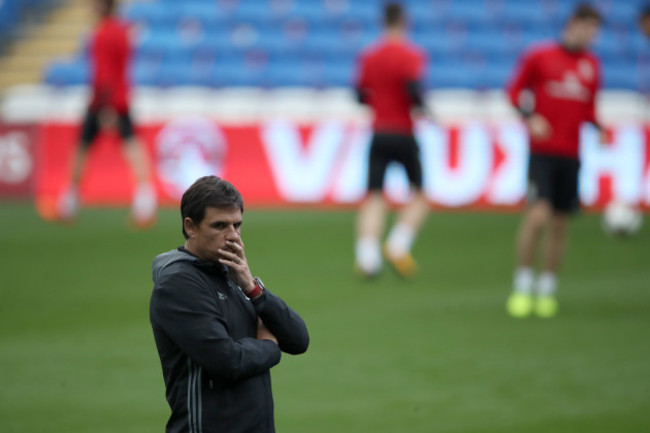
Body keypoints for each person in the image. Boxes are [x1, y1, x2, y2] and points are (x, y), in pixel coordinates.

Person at [150, 175, 309, 433]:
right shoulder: (178, 284)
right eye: (220, 225)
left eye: (237, 225)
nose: (232, 236)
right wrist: (268, 345)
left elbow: (299, 340)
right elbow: (227, 360)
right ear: (190, 227)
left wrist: (253, 289)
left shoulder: (231, 274)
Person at [505, 3, 605, 318]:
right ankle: (522, 284)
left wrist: (598, 126)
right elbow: (514, 93)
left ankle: (546, 289)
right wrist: (529, 117)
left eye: (595, 31)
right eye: (587, 28)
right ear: (573, 25)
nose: (591, 36)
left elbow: (588, 108)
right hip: (542, 152)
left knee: (560, 224)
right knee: (538, 216)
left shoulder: (591, 65)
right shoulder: (540, 56)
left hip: (571, 154)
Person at [57, 0, 156, 227]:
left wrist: (105, 104)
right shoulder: (123, 32)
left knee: (82, 147)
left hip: (104, 99)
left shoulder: (101, 34)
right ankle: (145, 202)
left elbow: (104, 72)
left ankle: (69, 203)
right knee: (132, 145)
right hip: (121, 95)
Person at [354, 2, 429, 279]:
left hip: (379, 131)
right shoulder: (411, 54)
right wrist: (425, 109)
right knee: (419, 194)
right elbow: (412, 89)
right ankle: (398, 245)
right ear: (404, 21)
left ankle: (367, 257)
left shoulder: (369, 55)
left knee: (374, 195)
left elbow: (360, 95)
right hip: (404, 131)